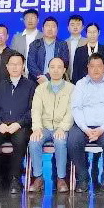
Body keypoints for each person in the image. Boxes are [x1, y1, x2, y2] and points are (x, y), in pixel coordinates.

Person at [0, 54, 37, 194]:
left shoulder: (31, 86)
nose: (14, 67)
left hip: (20, 126)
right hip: (1, 125)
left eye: (18, 64)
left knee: (20, 141)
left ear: (23, 66)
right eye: (12, 64)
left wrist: (19, 124)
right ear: (6, 67)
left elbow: (33, 110)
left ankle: (15, 179)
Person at [68, 53, 104, 193]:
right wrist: (85, 129)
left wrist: (102, 129)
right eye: (92, 66)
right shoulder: (80, 84)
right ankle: (83, 177)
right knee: (73, 140)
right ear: (88, 67)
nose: (95, 70)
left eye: (99, 66)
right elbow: (76, 108)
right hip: (84, 126)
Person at [28, 57, 75, 194]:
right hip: (44, 127)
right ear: (48, 70)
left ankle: (61, 178)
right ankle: (38, 177)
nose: (56, 70)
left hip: (61, 127)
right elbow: (36, 110)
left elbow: (71, 112)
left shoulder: (71, 89)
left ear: (64, 70)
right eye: (52, 67)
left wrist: (62, 128)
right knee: (33, 141)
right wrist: (37, 128)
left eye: (59, 67)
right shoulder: (40, 89)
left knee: (60, 141)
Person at [27, 17, 70, 84]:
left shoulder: (62, 44)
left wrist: (47, 77)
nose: (50, 29)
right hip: (37, 81)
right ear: (42, 29)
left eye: (53, 26)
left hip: (56, 81)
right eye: (47, 26)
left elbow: (65, 63)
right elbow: (31, 64)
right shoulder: (34, 44)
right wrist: (41, 77)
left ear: (57, 29)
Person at [65, 14, 87, 79]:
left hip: (83, 78)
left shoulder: (87, 42)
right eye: (72, 25)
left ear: (82, 27)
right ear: (68, 28)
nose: (75, 27)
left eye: (78, 24)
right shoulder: (64, 43)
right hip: (67, 78)